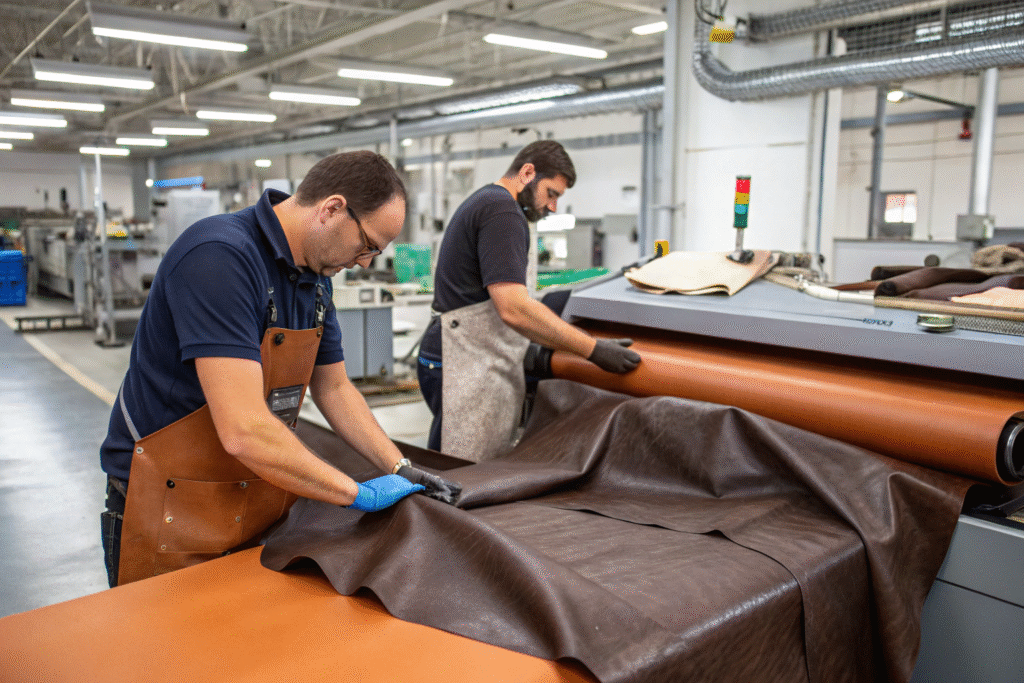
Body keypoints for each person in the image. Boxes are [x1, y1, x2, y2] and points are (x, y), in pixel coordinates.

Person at [100, 150, 460, 588]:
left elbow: (334, 388)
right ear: (332, 209)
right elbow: (244, 430)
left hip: (250, 496)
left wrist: (399, 467)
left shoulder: (316, 279)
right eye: (367, 245)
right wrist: (356, 493)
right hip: (169, 505)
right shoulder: (220, 257)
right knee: (170, 631)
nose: (365, 262)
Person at [417, 140, 641, 462]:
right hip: (462, 357)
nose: (553, 206)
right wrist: (593, 349)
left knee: (463, 466)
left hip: (462, 352)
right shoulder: (502, 210)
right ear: (527, 173)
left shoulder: (491, 202)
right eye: (551, 193)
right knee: (458, 469)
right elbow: (514, 309)